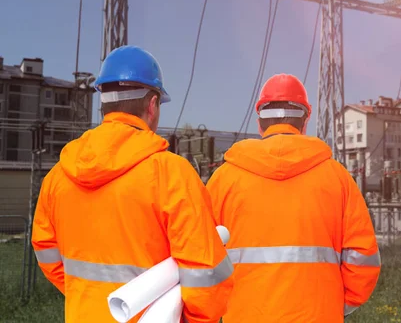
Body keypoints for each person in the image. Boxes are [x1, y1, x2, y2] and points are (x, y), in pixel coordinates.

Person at [31, 45, 233, 323]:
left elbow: (46, 252)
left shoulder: (58, 177)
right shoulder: (172, 174)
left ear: (104, 103)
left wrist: (91, 299)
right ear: (152, 104)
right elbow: (206, 274)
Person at [207, 73, 381, 322]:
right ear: (305, 121)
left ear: (259, 123)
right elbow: (362, 257)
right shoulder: (337, 178)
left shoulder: (224, 179)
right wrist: (336, 304)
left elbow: (203, 259)